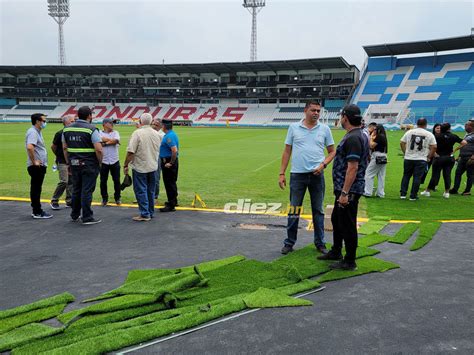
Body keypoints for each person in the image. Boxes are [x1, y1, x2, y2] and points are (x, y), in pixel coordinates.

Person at [279, 100, 336, 255]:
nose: (316, 113)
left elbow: (332, 151)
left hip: (317, 175)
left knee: (318, 210)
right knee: (294, 210)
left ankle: (320, 243)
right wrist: (282, 173)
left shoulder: (324, 129)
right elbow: (286, 151)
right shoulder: (293, 128)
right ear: (305, 111)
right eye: (313, 110)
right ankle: (289, 243)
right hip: (297, 175)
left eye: (318, 111)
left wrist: (323, 165)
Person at [317, 104, 369, 270]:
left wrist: (345, 193)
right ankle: (336, 250)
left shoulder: (353, 137)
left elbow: (352, 167)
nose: (340, 119)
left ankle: (350, 260)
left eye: (341, 116)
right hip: (345, 187)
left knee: (347, 223)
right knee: (337, 219)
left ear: (345, 117)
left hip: (349, 189)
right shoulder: (357, 134)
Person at [63, 106, 103, 225]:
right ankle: (87, 217)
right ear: (89, 116)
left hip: (74, 164)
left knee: (76, 189)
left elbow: (65, 148)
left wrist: (68, 163)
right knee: (86, 191)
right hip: (89, 164)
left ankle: (74, 214)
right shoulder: (92, 129)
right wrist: (100, 162)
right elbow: (99, 149)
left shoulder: (66, 129)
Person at [124, 113, 162, 221]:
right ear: (150, 122)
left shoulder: (137, 133)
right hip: (153, 166)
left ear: (140, 121)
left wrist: (126, 164)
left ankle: (145, 214)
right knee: (151, 190)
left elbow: (131, 152)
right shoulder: (157, 134)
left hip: (140, 166)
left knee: (141, 190)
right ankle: (150, 211)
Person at [421, 123, 463, 198]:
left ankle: (427, 191)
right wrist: (455, 150)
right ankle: (447, 193)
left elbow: (430, 145)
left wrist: (435, 153)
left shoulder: (436, 136)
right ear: (449, 128)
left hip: (439, 158)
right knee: (447, 175)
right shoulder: (453, 136)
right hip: (449, 158)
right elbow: (464, 142)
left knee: (435, 175)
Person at [399, 118, 437, 201]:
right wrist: (429, 157)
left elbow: (402, 142)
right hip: (421, 158)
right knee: (417, 177)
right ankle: (413, 195)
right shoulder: (429, 134)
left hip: (409, 158)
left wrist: (405, 152)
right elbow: (434, 146)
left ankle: (403, 194)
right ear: (426, 124)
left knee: (406, 175)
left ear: (417, 124)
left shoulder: (409, 132)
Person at [25, 113, 52, 219]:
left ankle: (37, 210)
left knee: (36, 188)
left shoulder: (36, 132)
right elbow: (30, 147)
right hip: (36, 166)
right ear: (37, 121)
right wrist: (34, 161)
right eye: (44, 121)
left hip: (39, 165)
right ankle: (37, 211)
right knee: (36, 188)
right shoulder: (33, 132)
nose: (45, 123)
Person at [50, 114, 75, 210]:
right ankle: (54, 200)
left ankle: (69, 201)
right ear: (66, 122)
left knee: (71, 181)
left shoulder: (74, 133)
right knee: (64, 181)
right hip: (62, 161)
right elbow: (53, 146)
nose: (74, 123)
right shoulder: (60, 133)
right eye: (72, 121)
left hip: (72, 160)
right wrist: (58, 155)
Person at [99, 118, 121, 206]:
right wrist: (112, 141)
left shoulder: (116, 132)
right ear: (104, 124)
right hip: (103, 161)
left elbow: (116, 140)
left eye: (113, 123)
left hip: (114, 160)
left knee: (116, 180)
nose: (112, 124)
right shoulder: (98, 133)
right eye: (110, 123)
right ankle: (104, 198)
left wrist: (104, 142)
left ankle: (117, 198)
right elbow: (99, 142)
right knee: (103, 181)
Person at [159, 119, 180, 212]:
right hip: (169, 161)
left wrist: (170, 163)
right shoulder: (171, 134)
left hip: (168, 162)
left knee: (169, 183)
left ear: (163, 126)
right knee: (171, 182)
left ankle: (171, 204)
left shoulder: (169, 136)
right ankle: (173, 201)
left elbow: (174, 150)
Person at [450, 120, 474, 196]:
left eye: (467, 125)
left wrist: (473, 157)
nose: (465, 126)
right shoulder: (467, 134)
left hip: (470, 158)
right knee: (458, 173)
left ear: (472, 126)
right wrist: (459, 156)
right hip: (463, 157)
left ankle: (467, 191)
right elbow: (463, 146)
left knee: (470, 175)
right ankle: (455, 189)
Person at [363, 124, 388, 198]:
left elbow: (371, 145)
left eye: (375, 130)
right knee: (381, 175)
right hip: (383, 155)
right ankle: (380, 193)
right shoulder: (384, 137)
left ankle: (368, 192)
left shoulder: (379, 136)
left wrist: (370, 137)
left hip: (377, 155)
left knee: (369, 173)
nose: (374, 131)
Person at [151, 118, 165, 200]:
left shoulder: (161, 135)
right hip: (149, 156)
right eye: (153, 124)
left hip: (158, 156)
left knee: (156, 177)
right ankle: (148, 195)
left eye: (156, 125)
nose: (154, 126)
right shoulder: (152, 133)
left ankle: (155, 195)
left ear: (160, 125)